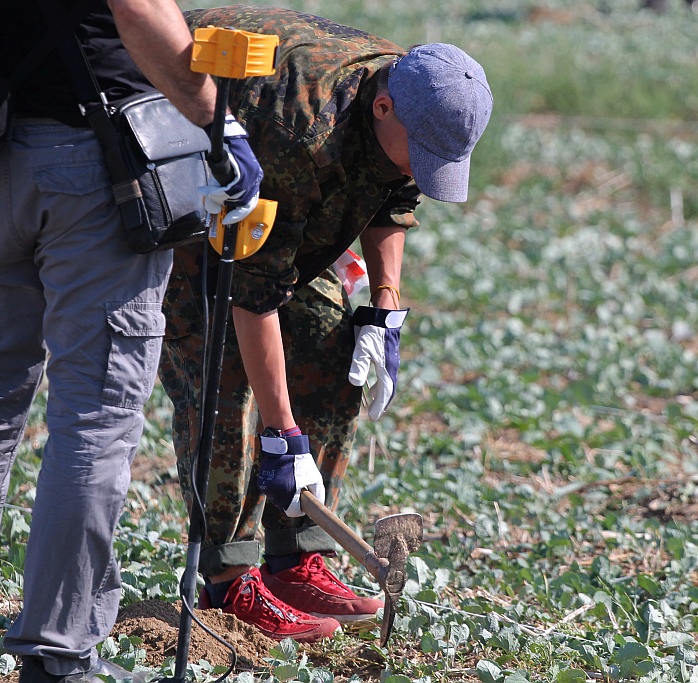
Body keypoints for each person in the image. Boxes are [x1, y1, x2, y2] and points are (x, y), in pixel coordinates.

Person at [0, 2, 261, 683]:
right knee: (93, 416)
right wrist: (219, 124)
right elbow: (138, 8)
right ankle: (55, 654)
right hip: (93, 164)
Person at [159, 5, 493, 643]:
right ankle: (228, 578)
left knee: (335, 344)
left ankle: (296, 560)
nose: (420, 168)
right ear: (383, 108)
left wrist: (383, 307)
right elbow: (252, 292)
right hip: (194, 196)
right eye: (420, 154)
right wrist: (284, 435)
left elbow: (393, 193)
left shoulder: (409, 88)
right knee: (220, 379)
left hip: (277, 219)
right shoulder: (300, 127)